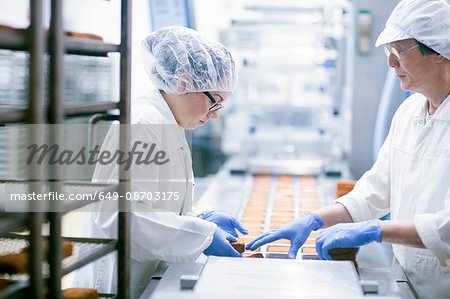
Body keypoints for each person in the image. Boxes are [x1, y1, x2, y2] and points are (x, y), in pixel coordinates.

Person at [246, 0, 450, 298]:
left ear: (439, 53)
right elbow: (376, 190)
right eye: (388, 52)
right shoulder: (410, 113)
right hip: (406, 281)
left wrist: (377, 231)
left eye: (399, 51)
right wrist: (314, 219)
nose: (391, 63)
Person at [72, 26, 247, 298]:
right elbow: (121, 218)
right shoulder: (143, 123)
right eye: (215, 102)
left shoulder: (169, 121)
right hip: (118, 281)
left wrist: (198, 218)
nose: (215, 116)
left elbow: (156, 202)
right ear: (183, 83)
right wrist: (201, 235)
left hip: (143, 274)